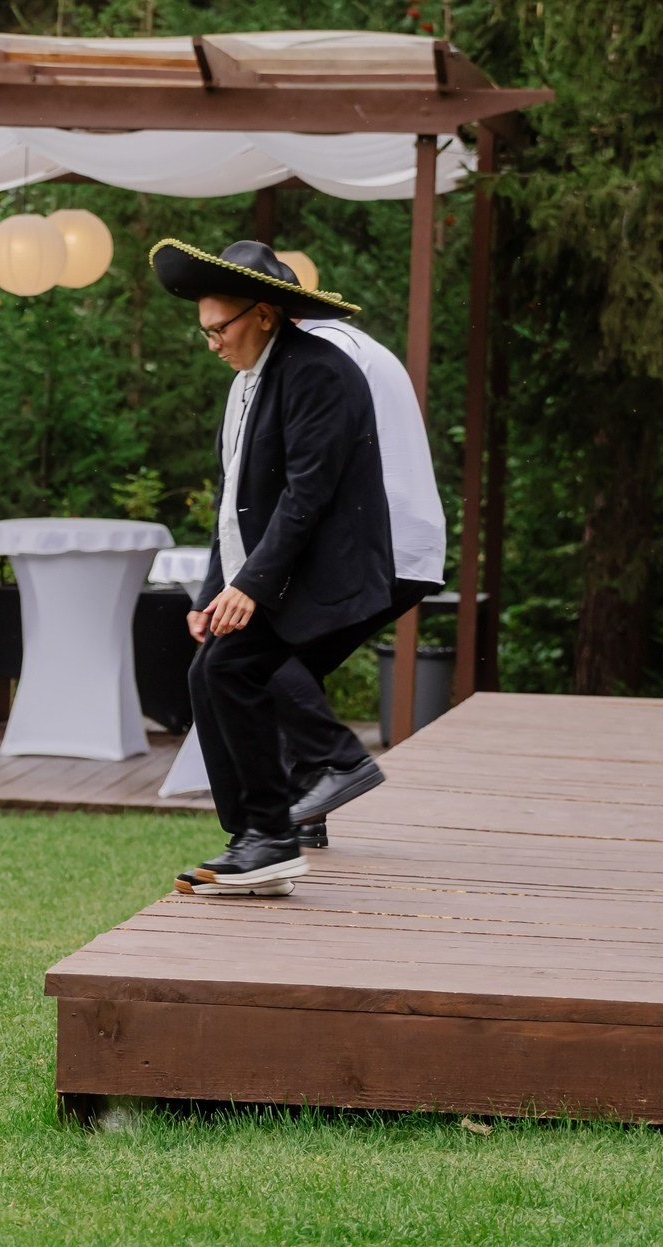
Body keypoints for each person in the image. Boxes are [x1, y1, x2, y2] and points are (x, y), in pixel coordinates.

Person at [150, 239, 394, 896]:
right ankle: (257, 842)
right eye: (203, 332)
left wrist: (252, 585)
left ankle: (330, 767)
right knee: (210, 672)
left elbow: (306, 493)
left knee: (235, 665)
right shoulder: (246, 383)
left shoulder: (318, 370)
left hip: (324, 568)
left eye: (220, 329)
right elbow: (231, 504)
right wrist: (212, 593)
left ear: (263, 313)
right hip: (271, 569)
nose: (212, 344)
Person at [275, 303, 447, 841]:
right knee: (297, 660)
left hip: (377, 542)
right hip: (407, 543)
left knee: (260, 650)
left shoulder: (325, 356)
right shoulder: (359, 346)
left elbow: (314, 467)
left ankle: (340, 763)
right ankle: (306, 815)